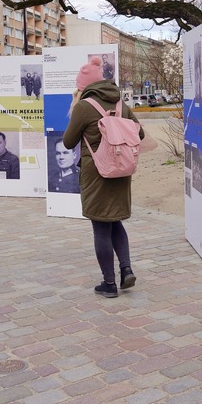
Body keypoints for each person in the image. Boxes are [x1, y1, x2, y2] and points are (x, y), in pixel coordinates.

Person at [63, 56, 145, 298]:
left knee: (100, 225)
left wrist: (77, 109)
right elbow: (139, 133)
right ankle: (126, 269)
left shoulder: (84, 106)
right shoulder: (120, 104)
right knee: (115, 221)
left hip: (97, 173)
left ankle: (109, 284)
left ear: (83, 87)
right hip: (121, 170)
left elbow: (68, 142)